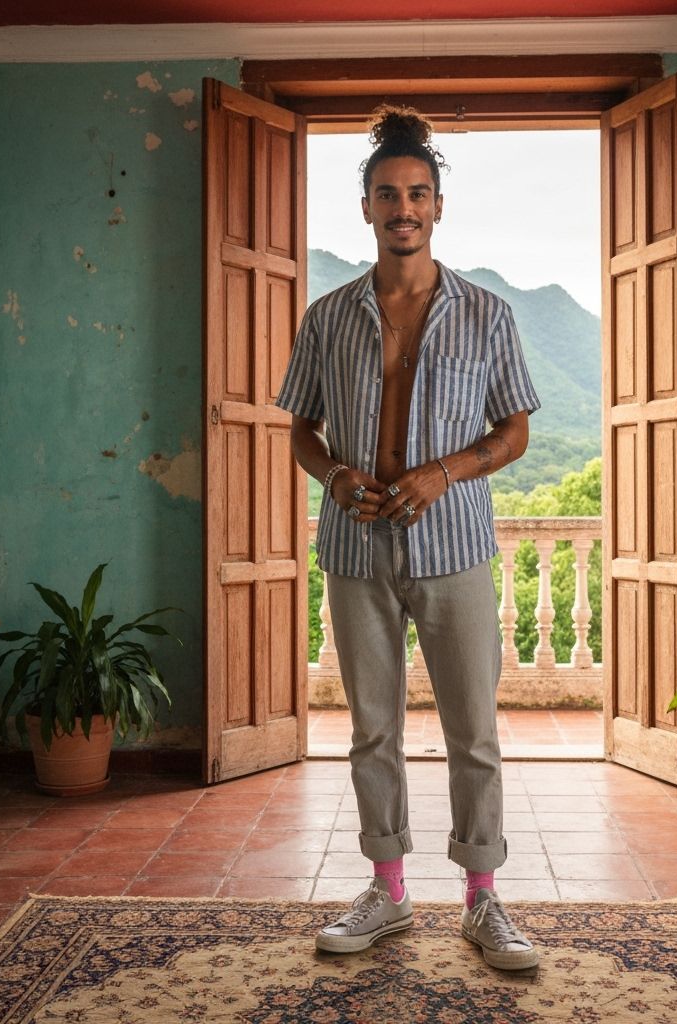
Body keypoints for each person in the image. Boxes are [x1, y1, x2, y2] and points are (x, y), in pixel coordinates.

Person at [275, 105, 541, 971]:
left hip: (456, 544)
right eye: (388, 194)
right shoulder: (326, 317)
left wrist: (446, 473)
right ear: (366, 207)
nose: (404, 208)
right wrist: (336, 476)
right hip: (355, 550)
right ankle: (388, 892)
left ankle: (482, 901)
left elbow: (515, 431)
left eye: (418, 193)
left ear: (436, 207)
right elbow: (301, 432)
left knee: (474, 729)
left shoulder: (487, 314)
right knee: (372, 729)